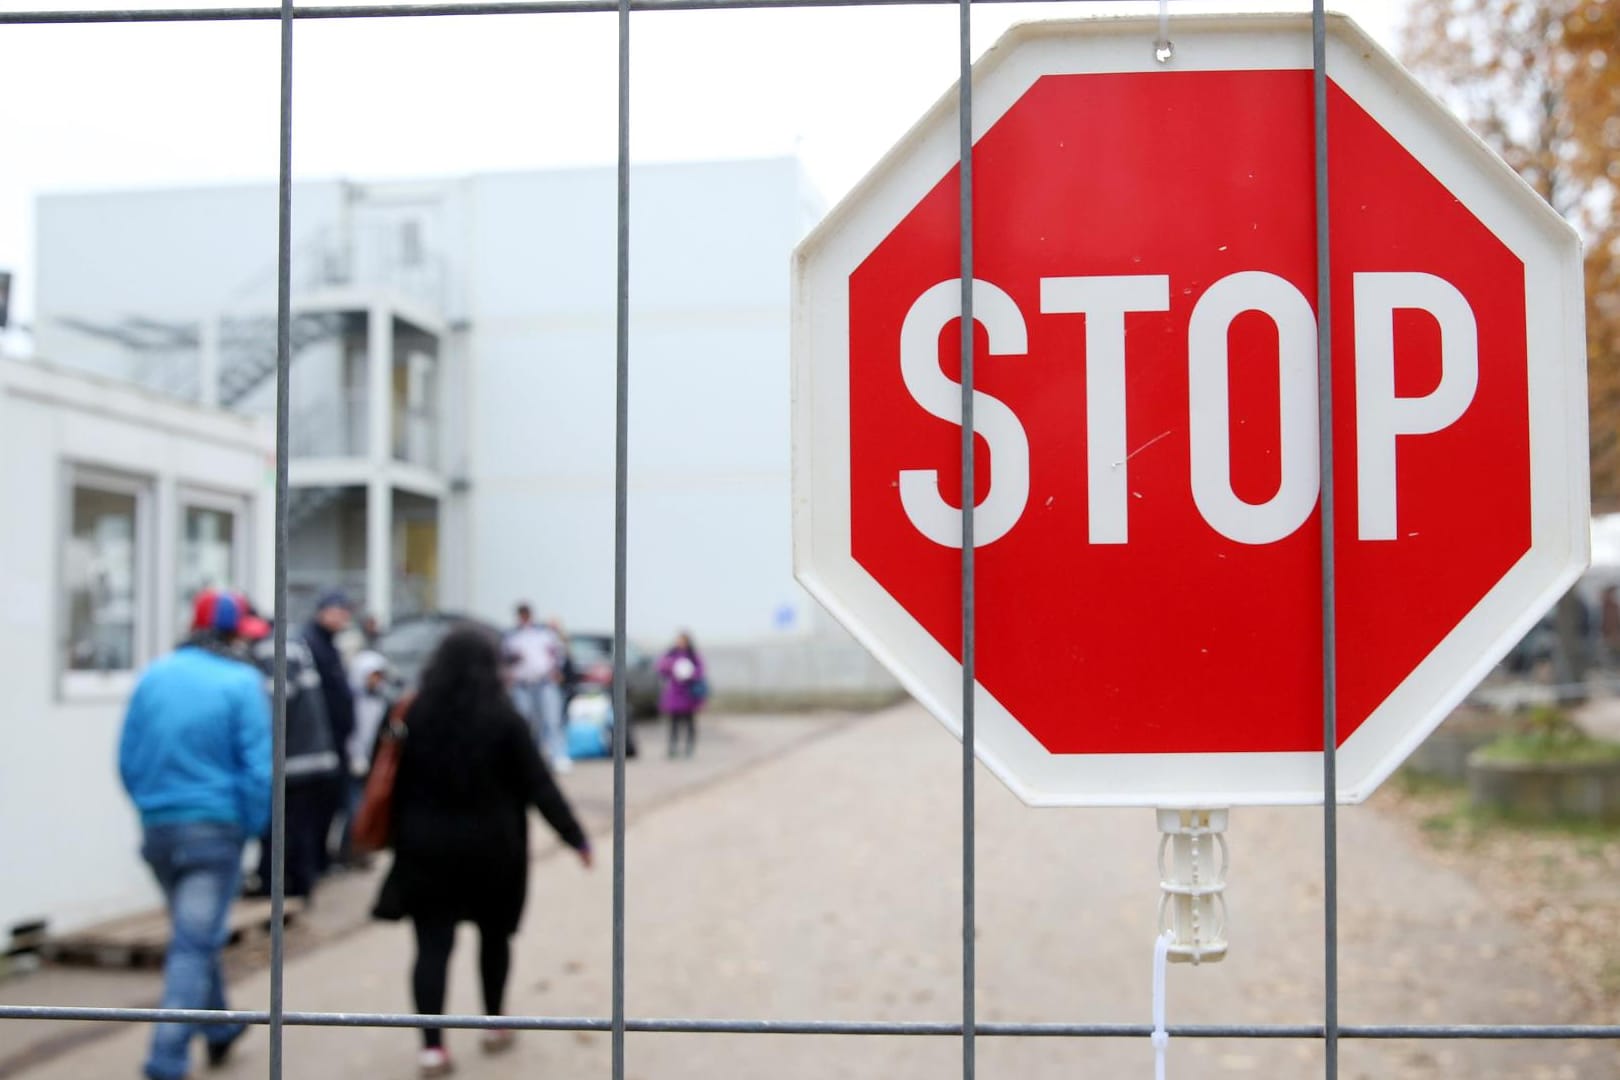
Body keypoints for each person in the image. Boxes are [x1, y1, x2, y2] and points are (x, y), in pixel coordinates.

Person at [381, 627, 592, 1078]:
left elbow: (383, 778)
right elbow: (539, 785)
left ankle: (432, 1048)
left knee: (431, 947)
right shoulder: (504, 720)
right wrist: (575, 837)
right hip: (493, 853)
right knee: (494, 940)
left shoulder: (410, 714)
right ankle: (494, 1024)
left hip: (425, 850)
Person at [118, 591, 271, 1080]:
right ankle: (166, 1059)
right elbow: (260, 770)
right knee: (192, 943)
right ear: (231, 635)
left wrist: (151, 807)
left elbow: (128, 758)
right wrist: (250, 825)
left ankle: (221, 1028)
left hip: (160, 827)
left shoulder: (156, 675)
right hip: (215, 829)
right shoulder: (243, 683)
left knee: (194, 935)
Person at [246, 603, 342, 901]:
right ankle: (292, 886)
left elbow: (275, 705)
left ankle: (284, 890)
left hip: (295, 761)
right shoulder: (291, 644)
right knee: (298, 827)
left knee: (285, 829)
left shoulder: (272, 650)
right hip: (312, 757)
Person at [303, 591, 357, 873]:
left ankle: (320, 861)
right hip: (323, 742)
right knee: (318, 806)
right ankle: (314, 864)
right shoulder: (313, 644)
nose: (344, 618)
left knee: (331, 804)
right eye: (339, 611)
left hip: (335, 739)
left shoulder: (328, 644)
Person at [339, 649, 396, 867]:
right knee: (352, 810)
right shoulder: (350, 700)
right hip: (350, 762)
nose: (376, 681)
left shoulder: (383, 703)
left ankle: (357, 851)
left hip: (371, 765)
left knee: (363, 809)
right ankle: (348, 852)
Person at [505, 602, 571, 773]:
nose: (524, 617)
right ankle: (528, 760)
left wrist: (557, 670)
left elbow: (559, 653)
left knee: (551, 721)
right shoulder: (512, 636)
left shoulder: (544, 633)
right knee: (525, 723)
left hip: (544, 683)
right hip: (522, 685)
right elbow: (504, 659)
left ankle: (558, 756)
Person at [657, 630, 707, 758]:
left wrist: (691, 673)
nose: (681, 643)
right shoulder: (671, 655)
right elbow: (661, 668)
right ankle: (672, 747)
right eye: (679, 641)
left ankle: (689, 747)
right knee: (674, 723)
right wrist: (671, 667)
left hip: (688, 695)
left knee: (689, 723)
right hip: (675, 694)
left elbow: (701, 671)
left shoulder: (693, 656)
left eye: (683, 641)